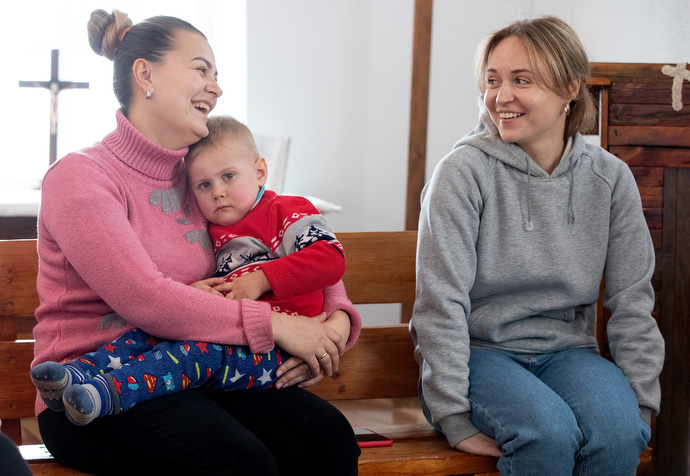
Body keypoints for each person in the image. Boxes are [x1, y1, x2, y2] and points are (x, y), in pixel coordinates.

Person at [32, 9, 361, 475]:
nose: (217, 87)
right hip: (94, 390)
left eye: (217, 74)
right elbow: (144, 298)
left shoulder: (203, 178)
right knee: (237, 461)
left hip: (197, 371)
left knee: (326, 442)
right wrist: (277, 325)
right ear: (145, 74)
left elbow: (290, 238)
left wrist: (333, 325)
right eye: (201, 70)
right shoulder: (81, 177)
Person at [409, 16, 664, 475]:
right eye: (492, 81)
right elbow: (439, 303)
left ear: (570, 88)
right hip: (481, 355)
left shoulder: (609, 178)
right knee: (546, 435)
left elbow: (632, 302)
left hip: (569, 353)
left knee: (618, 434)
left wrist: (639, 405)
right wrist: (451, 413)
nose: (500, 98)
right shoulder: (462, 174)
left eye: (521, 81)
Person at [32, 115, 347, 426]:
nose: (217, 192)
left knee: (191, 357)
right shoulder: (215, 220)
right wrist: (197, 292)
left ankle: (105, 393)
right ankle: (79, 373)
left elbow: (328, 259)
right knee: (147, 338)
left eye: (228, 177)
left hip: (268, 348)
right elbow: (161, 295)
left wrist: (335, 326)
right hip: (230, 334)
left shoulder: (286, 210)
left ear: (260, 171)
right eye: (205, 185)